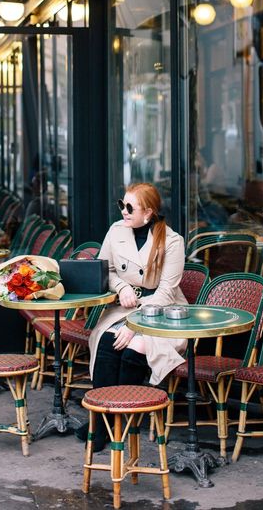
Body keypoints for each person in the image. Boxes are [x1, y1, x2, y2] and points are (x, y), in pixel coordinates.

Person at [76, 182, 187, 451]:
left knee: (133, 347)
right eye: (121, 205)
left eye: (130, 208)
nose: (123, 212)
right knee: (105, 343)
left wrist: (133, 324)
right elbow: (105, 269)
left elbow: (166, 292)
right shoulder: (116, 231)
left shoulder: (172, 242)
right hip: (123, 306)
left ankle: (123, 419)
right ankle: (100, 419)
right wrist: (123, 287)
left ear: (148, 213)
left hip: (160, 314)